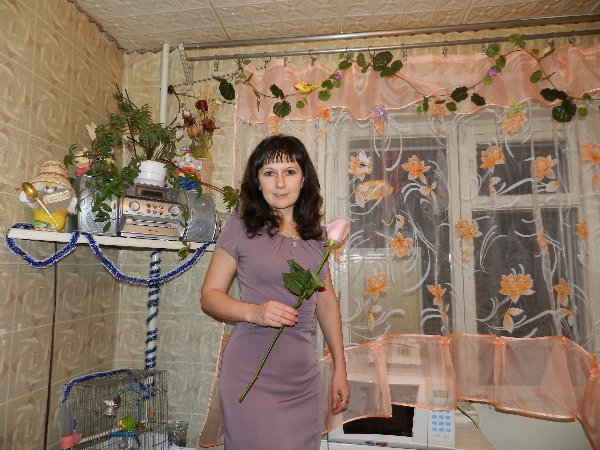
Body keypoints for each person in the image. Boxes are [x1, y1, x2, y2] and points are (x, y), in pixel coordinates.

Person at [200, 135, 350, 450]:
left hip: (303, 380)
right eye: (269, 173)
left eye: (289, 172)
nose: (280, 183)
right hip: (250, 376)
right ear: (257, 181)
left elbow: (326, 303)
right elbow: (210, 296)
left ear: (304, 178)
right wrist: (253, 312)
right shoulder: (240, 228)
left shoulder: (318, 238)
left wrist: (340, 368)